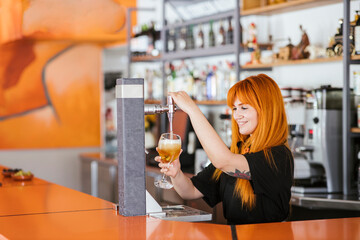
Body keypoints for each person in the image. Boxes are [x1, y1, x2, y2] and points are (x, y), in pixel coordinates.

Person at [155, 74, 294, 225]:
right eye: (235, 108)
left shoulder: (278, 156)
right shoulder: (238, 150)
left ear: (266, 109)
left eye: (244, 108)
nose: (236, 115)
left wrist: (192, 110)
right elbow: (191, 190)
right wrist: (176, 173)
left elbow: (223, 161)